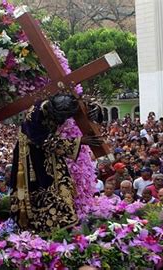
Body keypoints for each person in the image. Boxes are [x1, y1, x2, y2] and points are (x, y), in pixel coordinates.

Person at [9, 94, 103, 234]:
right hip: (32, 153)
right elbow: (43, 140)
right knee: (43, 185)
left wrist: (96, 109)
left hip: (52, 150)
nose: (61, 120)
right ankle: (42, 225)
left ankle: (66, 219)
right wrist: (79, 141)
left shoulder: (68, 101)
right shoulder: (36, 114)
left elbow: (87, 105)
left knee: (62, 181)